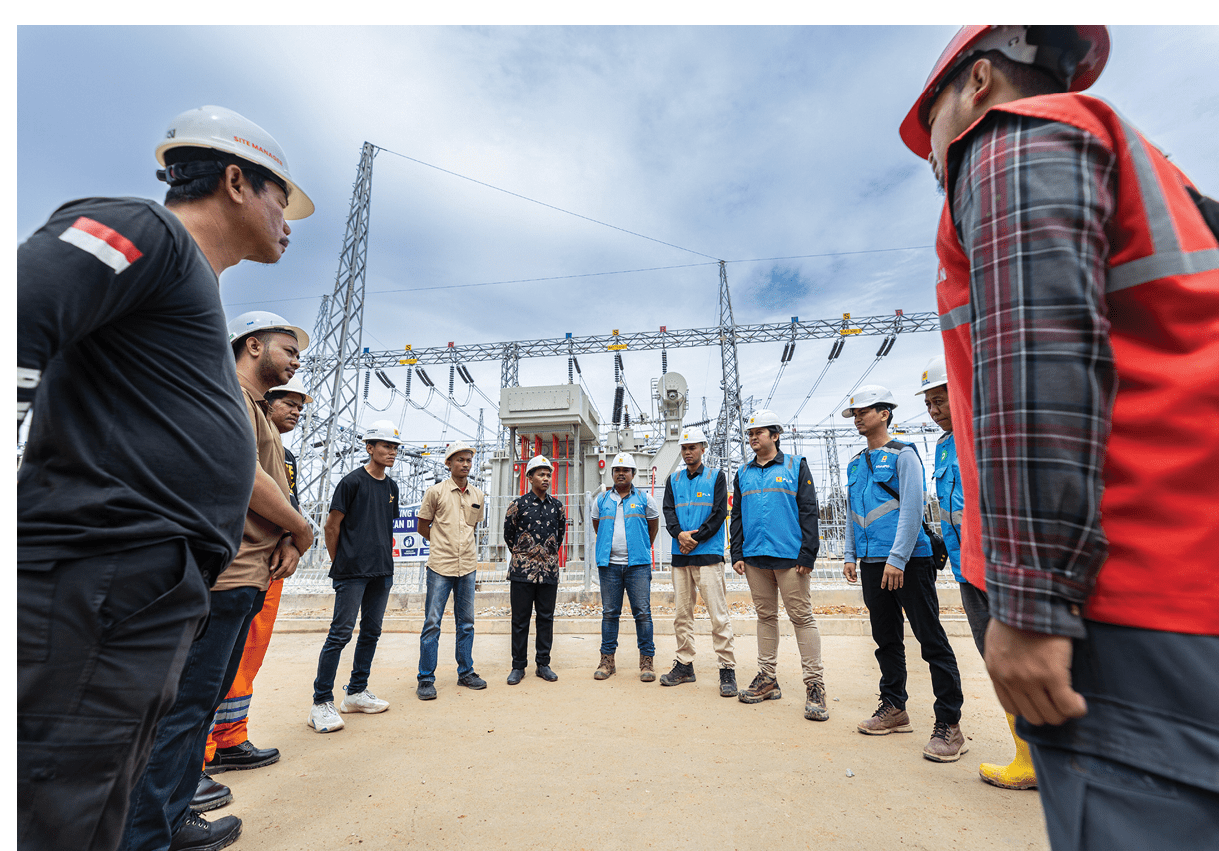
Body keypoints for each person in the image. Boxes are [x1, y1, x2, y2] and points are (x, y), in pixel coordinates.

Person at [902, 24, 1219, 846]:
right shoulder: (1155, 178)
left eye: (928, 123)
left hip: (1122, 608)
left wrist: (1031, 605)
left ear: (974, 85)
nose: (932, 155)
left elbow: (1036, 361)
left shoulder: (1010, 146)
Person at [17, 105, 312, 851]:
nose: (289, 220)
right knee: (57, 806)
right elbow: (19, 307)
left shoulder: (188, 298)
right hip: (95, 579)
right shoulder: (146, 231)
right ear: (237, 180)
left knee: (100, 800)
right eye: (283, 198)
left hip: (142, 592)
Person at [121, 311, 312, 851]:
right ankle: (144, 834)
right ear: (252, 346)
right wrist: (301, 530)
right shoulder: (226, 395)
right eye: (287, 349)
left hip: (245, 574)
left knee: (199, 705)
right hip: (221, 577)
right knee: (182, 709)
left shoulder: (255, 410)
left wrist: (284, 541)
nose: (296, 362)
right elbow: (245, 477)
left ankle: (173, 817)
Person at [917, 356, 1036, 789]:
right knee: (998, 660)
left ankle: (1055, 754)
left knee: (1026, 656)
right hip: (968, 567)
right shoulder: (946, 444)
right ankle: (1027, 756)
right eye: (929, 403)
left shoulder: (987, 434)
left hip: (1002, 565)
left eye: (940, 399)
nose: (934, 410)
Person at [841, 386, 966, 761]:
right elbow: (851, 512)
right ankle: (894, 706)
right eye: (855, 413)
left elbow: (912, 508)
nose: (859, 418)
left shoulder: (904, 454)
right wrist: (850, 553)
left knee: (930, 638)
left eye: (865, 411)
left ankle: (950, 724)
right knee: (886, 638)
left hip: (909, 560)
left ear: (884, 413)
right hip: (871, 561)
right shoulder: (854, 463)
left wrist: (898, 558)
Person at [202, 374, 313, 780]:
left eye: (301, 408)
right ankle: (201, 752)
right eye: (290, 404)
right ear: (268, 403)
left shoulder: (287, 455)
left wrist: (290, 540)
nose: (296, 413)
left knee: (247, 656)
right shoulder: (240, 427)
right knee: (212, 664)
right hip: (239, 563)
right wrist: (300, 532)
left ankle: (231, 737)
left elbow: (287, 503)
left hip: (269, 567)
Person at [730, 409, 828, 722]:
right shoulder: (743, 473)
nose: (752, 438)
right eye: (749, 433)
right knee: (765, 617)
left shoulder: (795, 466)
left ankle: (815, 684)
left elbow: (808, 509)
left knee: (802, 617)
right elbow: (738, 517)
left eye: (758, 432)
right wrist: (737, 553)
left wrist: (808, 553)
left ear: (775, 435)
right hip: (756, 557)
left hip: (790, 558)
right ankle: (767, 678)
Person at [309, 420, 403, 732]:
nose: (391, 452)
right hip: (352, 573)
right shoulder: (351, 483)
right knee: (340, 634)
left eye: (394, 447)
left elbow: (384, 527)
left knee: (371, 632)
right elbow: (331, 526)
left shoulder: (391, 488)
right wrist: (341, 563)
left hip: (381, 571)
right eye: (385, 446)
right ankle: (321, 701)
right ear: (369, 448)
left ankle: (355, 693)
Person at [660, 426, 737, 697]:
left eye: (693, 447)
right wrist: (679, 534)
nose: (688, 452)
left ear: (703, 448)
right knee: (682, 614)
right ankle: (684, 664)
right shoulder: (674, 480)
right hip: (681, 557)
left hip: (707, 556)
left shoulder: (717, 477)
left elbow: (718, 513)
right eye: (684, 447)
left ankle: (727, 668)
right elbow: (668, 512)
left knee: (718, 614)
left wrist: (696, 538)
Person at [416, 440, 487, 700]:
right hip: (440, 566)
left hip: (467, 566)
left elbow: (473, 527)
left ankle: (466, 672)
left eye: (468, 460)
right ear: (448, 464)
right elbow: (423, 526)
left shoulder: (478, 495)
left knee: (466, 622)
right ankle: (425, 678)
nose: (465, 464)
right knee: (433, 623)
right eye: (460, 460)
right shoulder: (435, 492)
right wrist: (440, 543)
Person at [590, 452, 660, 682]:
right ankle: (607, 661)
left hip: (637, 566)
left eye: (625, 470)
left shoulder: (645, 499)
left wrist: (640, 548)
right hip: (609, 566)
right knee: (610, 613)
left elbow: (653, 527)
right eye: (617, 470)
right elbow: (597, 526)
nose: (621, 473)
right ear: (612, 474)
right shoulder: (601, 500)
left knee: (643, 613)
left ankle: (647, 661)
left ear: (633, 474)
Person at [503, 455, 567, 684]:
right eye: (541, 474)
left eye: (548, 474)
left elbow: (559, 537)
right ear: (530, 477)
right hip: (522, 572)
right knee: (520, 620)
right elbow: (508, 535)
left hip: (548, 571)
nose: (546, 478)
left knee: (546, 618)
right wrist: (524, 556)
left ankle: (543, 664)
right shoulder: (518, 505)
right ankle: (518, 666)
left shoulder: (557, 507)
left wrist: (545, 558)